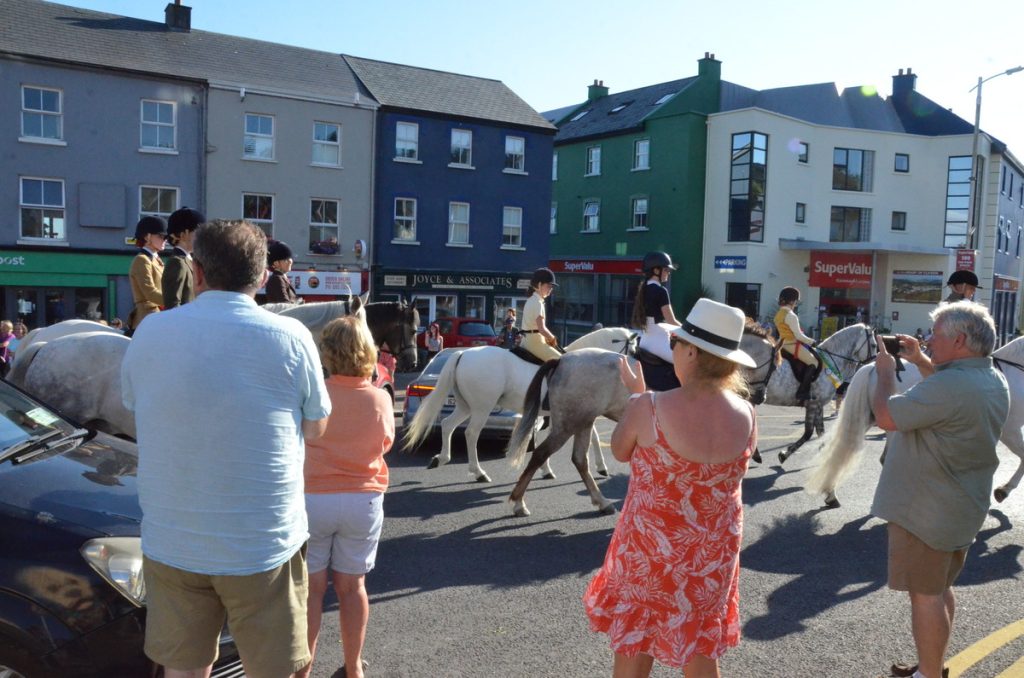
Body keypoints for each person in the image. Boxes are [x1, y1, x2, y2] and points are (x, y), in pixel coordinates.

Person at [121, 219, 331, 678]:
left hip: (174, 539)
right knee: (272, 669)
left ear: (196, 272)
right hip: (263, 546)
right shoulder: (292, 337)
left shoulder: (150, 333)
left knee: (184, 668)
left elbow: (136, 407)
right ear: (261, 278)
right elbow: (316, 428)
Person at [584, 298, 757, 678]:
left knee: (636, 646)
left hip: (650, 559)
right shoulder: (747, 413)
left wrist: (636, 396)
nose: (673, 349)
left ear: (692, 352)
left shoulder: (648, 406)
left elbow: (620, 451)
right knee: (700, 653)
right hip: (711, 561)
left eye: (676, 343)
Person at [870, 301, 1009, 678]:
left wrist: (885, 373)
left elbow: (886, 416)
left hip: (925, 510)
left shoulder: (950, 385)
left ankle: (929, 675)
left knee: (926, 595)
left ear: (960, 340)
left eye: (935, 335)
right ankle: (932, 667)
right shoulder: (989, 378)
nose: (927, 339)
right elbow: (946, 392)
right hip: (958, 505)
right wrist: (919, 360)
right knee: (939, 588)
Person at [299, 316, 394, 678]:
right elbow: (385, 444)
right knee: (353, 587)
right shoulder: (381, 399)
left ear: (326, 351)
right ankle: (354, 666)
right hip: (362, 499)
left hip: (313, 499)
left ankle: (303, 667)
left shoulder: (313, 392)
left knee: (311, 589)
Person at [630, 251, 680, 364]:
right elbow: (670, 320)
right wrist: (687, 331)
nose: (669, 273)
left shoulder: (643, 289)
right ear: (656, 270)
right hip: (659, 343)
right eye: (666, 270)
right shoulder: (661, 291)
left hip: (644, 341)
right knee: (685, 365)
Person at [774, 286, 821, 403]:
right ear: (791, 300)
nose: (796, 303)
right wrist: (813, 341)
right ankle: (803, 392)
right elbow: (799, 336)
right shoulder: (791, 315)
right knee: (813, 362)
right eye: (795, 301)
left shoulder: (779, 314)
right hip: (792, 345)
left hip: (782, 344)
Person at [128, 216, 167, 333]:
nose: (165, 240)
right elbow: (150, 292)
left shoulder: (157, 260)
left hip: (161, 311)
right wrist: (174, 302)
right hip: (148, 314)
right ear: (147, 237)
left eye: (166, 237)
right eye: (161, 236)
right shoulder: (142, 260)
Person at [162, 207, 204, 309]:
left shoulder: (190, 260)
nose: (201, 238)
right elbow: (173, 305)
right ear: (183, 234)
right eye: (198, 233)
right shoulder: (177, 263)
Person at [519, 267, 561, 361]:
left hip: (526, 341)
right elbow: (541, 329)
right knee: (561, 360)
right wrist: (552, 338)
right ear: (539, 284)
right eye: (549, 286)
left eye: (551, 287)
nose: (551, 289)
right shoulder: (538, 302)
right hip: (535, 343)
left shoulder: (531, 300)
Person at [265, 240, 299, 304]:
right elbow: (284, 304)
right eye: (286, 259)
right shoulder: (277, 279)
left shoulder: (282, 278)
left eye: (290, 258)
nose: (290, 261)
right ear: (276, 263)